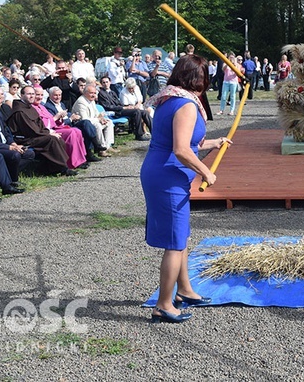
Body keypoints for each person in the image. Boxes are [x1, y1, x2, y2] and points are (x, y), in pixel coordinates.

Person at [140, 54, 231, 323]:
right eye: (204, 78)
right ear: (195, 78)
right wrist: (206, 172)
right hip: (167, 175)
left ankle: (186, 290)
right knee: (174, 242)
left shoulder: (171, 98)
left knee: (180, 236)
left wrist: (212, 142)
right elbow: (180, 150)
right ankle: (164, 305)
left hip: (165, 171)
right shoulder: (185, 104)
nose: (206, 83)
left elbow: (183, 142)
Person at [7, 85, 77, 176]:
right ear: (22, 95)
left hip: (35, 135)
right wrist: (48, 134)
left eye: (33, 94)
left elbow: (40, 125)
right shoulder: (20, 111)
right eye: (29, 94)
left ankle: (52, 168)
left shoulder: (30, 107)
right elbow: (30, 130)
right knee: (52, 139)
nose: (32, 96)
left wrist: (49, 132)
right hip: (25, 138)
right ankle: (63, 168)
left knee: (57, 138)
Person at [33, 86, 88, 170]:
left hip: (56, 126)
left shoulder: (42, 106)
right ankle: (73, 162)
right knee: (71, 132)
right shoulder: (44, 106)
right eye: (37, 95)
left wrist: (60, 119)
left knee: (77, 131)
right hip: (48, 130)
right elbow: (45, 123)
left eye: (41, 95)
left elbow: (52, 120)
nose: (40, 97)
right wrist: (57, 117)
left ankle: (81, 158)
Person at [98, 76, 151, 140]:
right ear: (101, 84)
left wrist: (128, 107)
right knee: (137, 111)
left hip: (120, 109)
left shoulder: (112, 92)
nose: (105, 84)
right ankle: (139, 135)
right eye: (103, 82)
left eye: (107, 82)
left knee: (144, 112)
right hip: (114, 112)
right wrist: (124, 107)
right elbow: (108, 106)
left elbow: (118, 103)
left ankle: (154, 131)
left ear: (110, 82)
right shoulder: (101, 93)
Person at [72, 83, 115, 154]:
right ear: (85, 93)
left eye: (95, 93)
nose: (93, 95)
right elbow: (85, 120)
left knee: (109, 122)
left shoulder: (91, 100)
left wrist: (102, 119)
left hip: (93, 121)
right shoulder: (81, 102)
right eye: (91, 93)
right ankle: (101, 149)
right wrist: (98, 119)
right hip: (83, 125)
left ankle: (108, 146)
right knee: (97, 125)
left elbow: (96, 114)